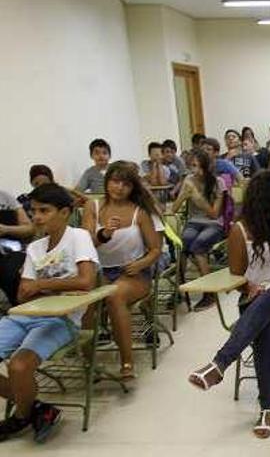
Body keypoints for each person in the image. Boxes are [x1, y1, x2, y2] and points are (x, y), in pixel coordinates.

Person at [187, 170, 270, 439]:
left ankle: (219, 364)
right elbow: (238, 275)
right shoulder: (241, 230)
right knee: (266, 325)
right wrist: (248, 286)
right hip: (258, 301)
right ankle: (268, 409)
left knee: (269, 302)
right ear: (267, 197)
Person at [0, 183, 98, 443]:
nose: (37, 217)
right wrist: (55, 287)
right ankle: (38, 409)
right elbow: (22, 294)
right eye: (34, 211)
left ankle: (21, 416)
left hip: (62, 319)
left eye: (44, 210)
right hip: (25, 315)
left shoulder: (78, 237)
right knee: (17, 367)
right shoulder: (34, 248)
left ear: (65, 212)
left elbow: (86, 281)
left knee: (19, 366)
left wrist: (41, 285)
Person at [82, 162, 163, 379]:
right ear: (107, 181)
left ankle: (127, 362)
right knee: (84, 300)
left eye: (126, 184)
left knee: (114, 296)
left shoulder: (140, 212)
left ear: (132, 188)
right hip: (99, 271)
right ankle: (89, 363)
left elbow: (156, 249)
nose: (119, 187)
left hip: (133, 273)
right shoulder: (93, 206)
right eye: (115, 181)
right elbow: (84, 244)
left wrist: (141, 264)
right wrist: (104, 234)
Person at [172, 150, 228, 312]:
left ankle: (209, 293)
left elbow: (214, 213)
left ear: (206, 167)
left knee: (198, 247)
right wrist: (183, 195)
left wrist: (197, 196)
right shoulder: (189, 180)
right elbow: (175, 208)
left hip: (214, 223)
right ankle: (178, 290)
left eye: (197, 166)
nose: (194, 170)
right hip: (193, 222)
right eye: (192, 166)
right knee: (182, 246)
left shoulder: (218, 182)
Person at [0, 189, 34, 308]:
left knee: (10, 273)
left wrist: (6, 229)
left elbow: (29, 229)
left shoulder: (6, 197)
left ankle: (20, 309)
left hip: (12, 251)